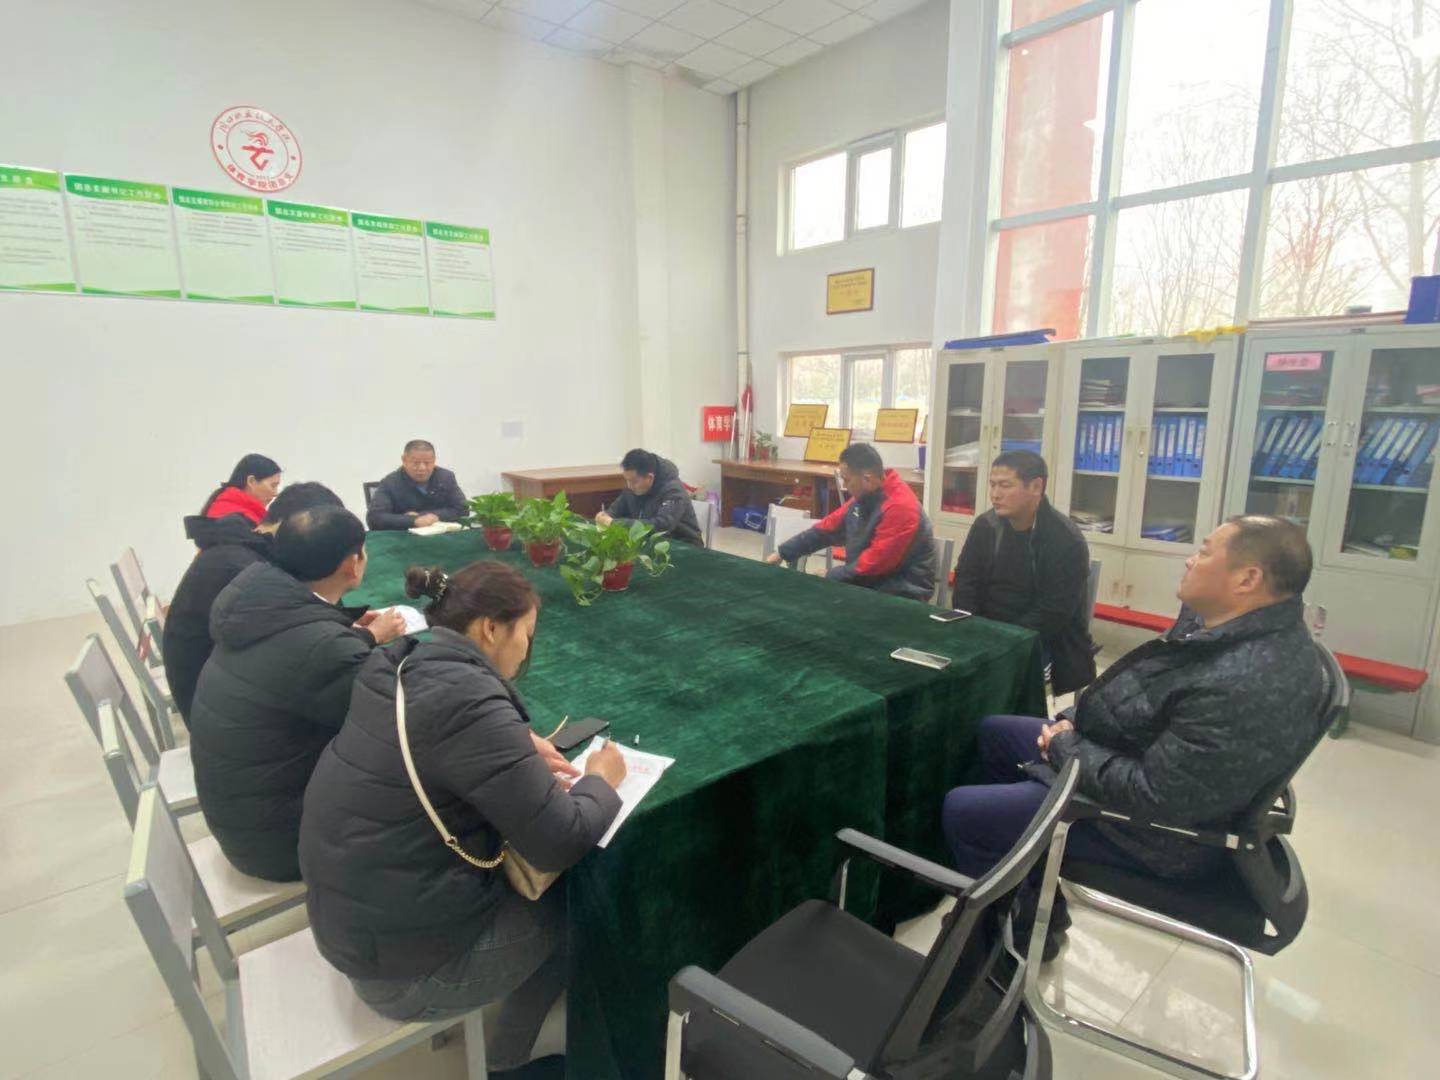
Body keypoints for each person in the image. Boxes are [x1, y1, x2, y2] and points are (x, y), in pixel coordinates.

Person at [941, 516, 1326, 957]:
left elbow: (1156, 795)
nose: (1190, 560)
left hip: (1152, 833)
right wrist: (1072, 723)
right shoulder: (1225, 627)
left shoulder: (1244, 678)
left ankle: (1006, 948)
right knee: (993, 733)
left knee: (966, 812)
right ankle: (1028, 897)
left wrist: (1067, 745)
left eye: (1204, 552)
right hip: (1131, 754)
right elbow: (1138, 692)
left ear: (1247, 579)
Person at [299, 561, 626, 1072]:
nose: (527, 649)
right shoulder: (469, 701)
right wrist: (601, 781)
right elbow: (559, 840)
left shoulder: (397, 664)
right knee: (582, 904)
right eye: (526, 634)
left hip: (354, 926)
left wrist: (511, 742)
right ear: (491, 628)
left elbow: (436, 742)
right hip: (405, 973)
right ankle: (512, 1054)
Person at [189, 505, 407, 881]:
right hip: (283, 842)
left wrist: (358, 635)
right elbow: (394, 719)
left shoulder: (257, 596)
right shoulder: (321, 648)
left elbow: (304, 658)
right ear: (352, 564)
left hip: (245, 817)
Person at [163, 482, 343, 725]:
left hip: (211, 695)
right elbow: (297, 649)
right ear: (295, 525)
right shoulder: (245, 570)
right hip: (219, 720)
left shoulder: (241, 546)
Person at [951, 450, 1097, 694]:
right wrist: (973, 626)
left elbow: (1053, 612)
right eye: (992, 485)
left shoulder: (1065, 539)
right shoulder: (986, 525)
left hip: (1040, 642)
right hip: (985, 630)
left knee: (991, 683)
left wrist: (1004, 639)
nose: (995, 494)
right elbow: (966, 580)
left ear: (1036, 487)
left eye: (1005, 485)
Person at [765, 443, 937, 600]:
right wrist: (782, 553)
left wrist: (831, 575)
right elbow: (826, 529)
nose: (844, 486)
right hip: (867, 585)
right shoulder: (866, 496)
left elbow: (874, 564)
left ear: (867, 479)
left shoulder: (900, 507)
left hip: (901, 594)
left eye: (846, 480)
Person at [595, 448, 703, 546]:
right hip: (650, 544)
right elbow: (616, 509)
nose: (629, 486)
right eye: (626, 480)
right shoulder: (633, 487)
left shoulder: (673, 491)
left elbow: (662, 526)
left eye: (633, 481)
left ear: (650, 477)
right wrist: (605, 516)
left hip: (683, 547)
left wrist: (614, 523)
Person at [366, 439, 469, 531]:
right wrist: (412, 521)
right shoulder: (390, 482)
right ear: (404, 460)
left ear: (434, 460)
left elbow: (463, 509)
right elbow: (374, 518)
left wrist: (429, 516)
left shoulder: (446, 477)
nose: (422, 468)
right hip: (404, 539)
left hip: (442, 537)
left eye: (427, 463)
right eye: (416, 463)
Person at [200, 453, 283, 524]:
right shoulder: (234, 518)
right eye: (273, 485)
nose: (275, 494)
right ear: (251, 481)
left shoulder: (231, 511)